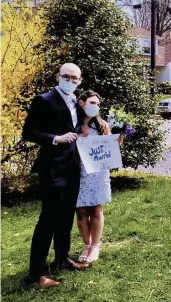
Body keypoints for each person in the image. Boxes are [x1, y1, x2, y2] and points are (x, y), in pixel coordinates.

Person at [22, 63, 89, 287]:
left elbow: (83, 125)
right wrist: (55, 138)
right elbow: (28, 132)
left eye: (75, 79)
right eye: (67, 77)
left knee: (66, 216)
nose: (71, 81)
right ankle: (36, 274)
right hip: (52, 167)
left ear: (80, 81)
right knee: (48, 219)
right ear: (58, 76)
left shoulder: (76, 101)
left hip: (72, 166)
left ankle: (62, 258)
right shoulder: (44, 100)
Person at [75, 90, 118, 263]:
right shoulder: (74, 124)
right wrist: (79, 136)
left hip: (98, 173)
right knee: (81, 211)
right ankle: (86, 244)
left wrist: (116, 142)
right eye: (92, 103)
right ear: (82, 103)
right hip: (78, 172)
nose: (96, 107)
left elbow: (109, 149)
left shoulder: (102, 126)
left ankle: (95, 246)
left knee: (96, 209)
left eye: (98, 104)